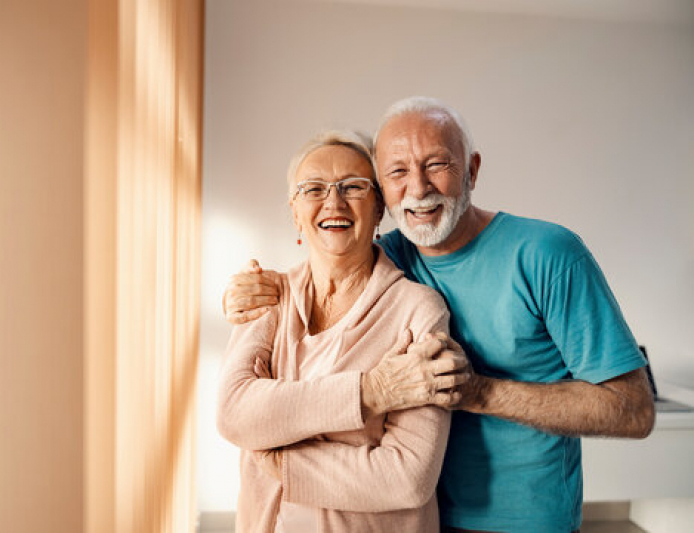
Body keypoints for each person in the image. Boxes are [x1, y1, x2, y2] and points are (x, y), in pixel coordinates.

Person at [223, 97, 656, 533]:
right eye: (397, 172)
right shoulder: (391, 254)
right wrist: (249, 292)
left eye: (437, 165)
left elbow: (633, 410)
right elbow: (330, 256)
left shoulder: (548, 254)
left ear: (471, 170)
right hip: (418, 519)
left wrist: (477, 392)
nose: (418, 188)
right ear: (384, 195)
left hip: (522, 521)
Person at [217, 130, 468, 533]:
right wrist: (372, 392)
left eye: (353, 186)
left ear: (378, 208)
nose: (333, 202)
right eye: (313, 188)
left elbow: (407, 478)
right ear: (295, 212)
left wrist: (280, 460)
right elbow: (234, 415)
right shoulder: (266, 295)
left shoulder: (418, 309)